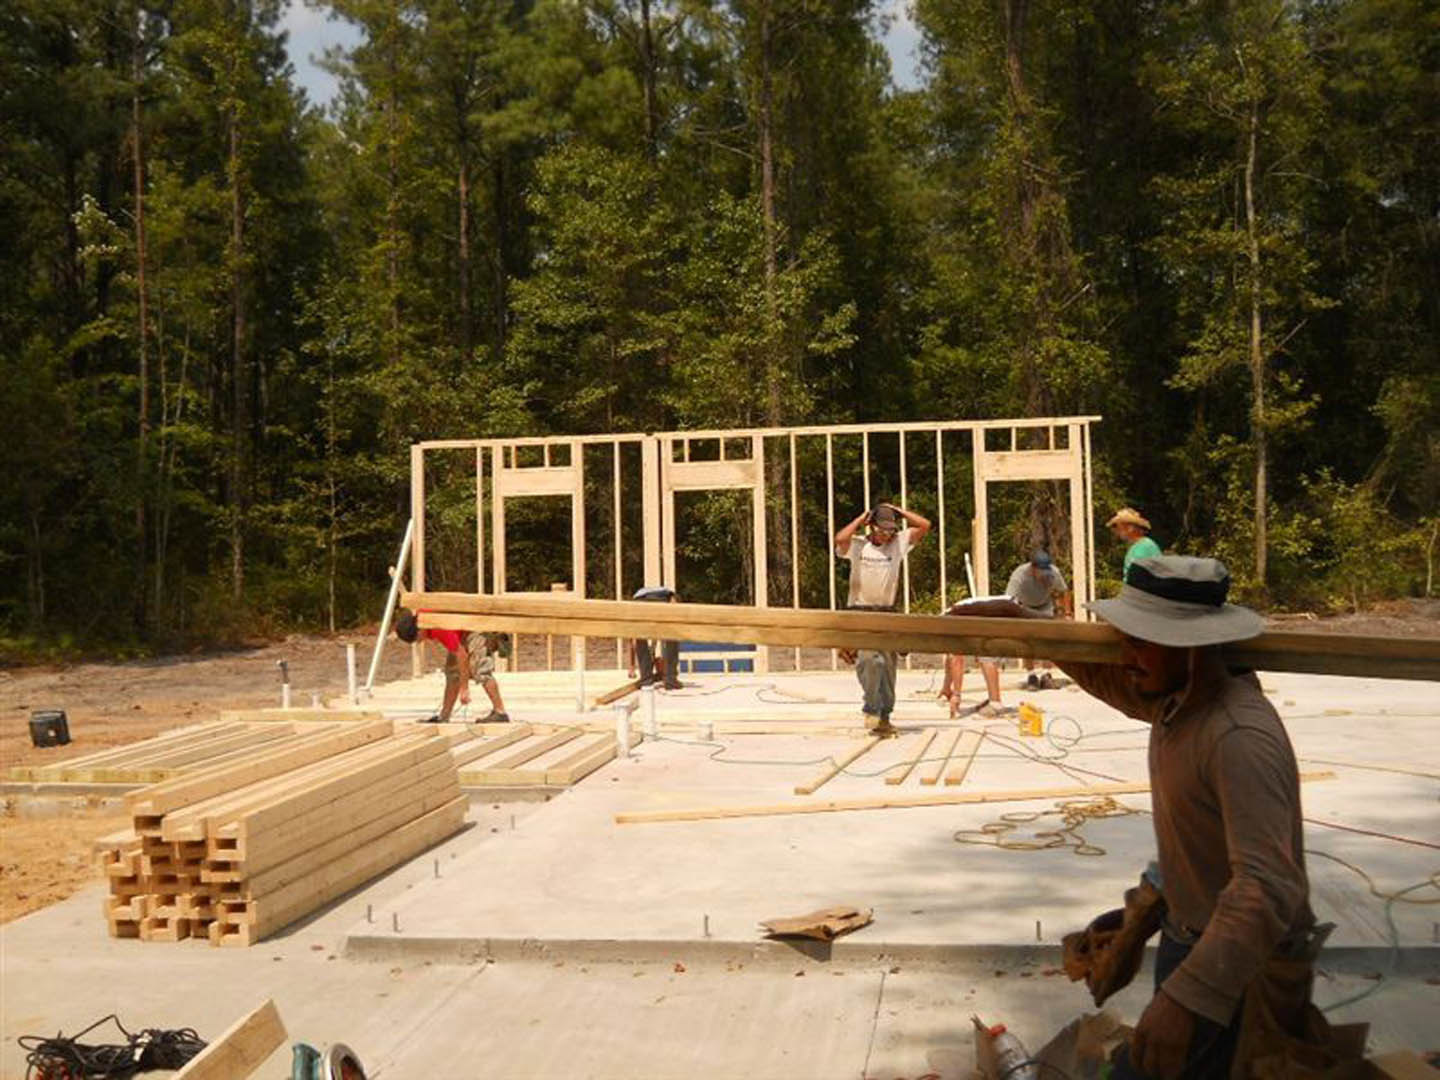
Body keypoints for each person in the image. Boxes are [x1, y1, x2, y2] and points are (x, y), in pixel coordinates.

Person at [965, 556, 1335, 1080]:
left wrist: (1186, 998)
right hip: (1194, 938)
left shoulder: (1237, 737)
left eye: (1141, 641)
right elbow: (1106, 678)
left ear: (1192, 647)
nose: (1126, 654)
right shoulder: (1176, 699)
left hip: (1241, 966)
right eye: (1126, 638)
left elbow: (1267, 887)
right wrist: (1027, 624)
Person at [834, 502, 930, 734]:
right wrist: (861, 518)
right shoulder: (858, 545)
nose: (886, 535)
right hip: (860, 611)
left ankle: (884, 715)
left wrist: (898, 510)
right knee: (869, 661)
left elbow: (925, 525)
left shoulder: (898, 544)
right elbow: (840, 539)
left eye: (890, 530)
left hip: (886, 612)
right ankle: (871, 708)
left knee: (887, 667)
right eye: (882, 530)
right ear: (872, 526)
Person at [394, 608, 510, 724]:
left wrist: (464, 688)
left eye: (417, 638)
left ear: (419, 630)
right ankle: (444, 716)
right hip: (463, 632)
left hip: (476, 628)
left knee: (481, 670)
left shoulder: (437, 627)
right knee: (452, 673)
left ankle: (500, 712)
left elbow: (462, 656)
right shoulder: (424, 618)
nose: (420, 641)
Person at [1005, 550, 1071, 689]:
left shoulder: (1054, 572)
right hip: (1025, 607)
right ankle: (1032, 675)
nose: (1044, 575)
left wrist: (1067, 613)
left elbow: (1064, 591)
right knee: (1027, 641)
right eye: (1041, 571)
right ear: (1033, 568)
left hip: (1045, 606)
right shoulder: (1019, 575)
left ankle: (1046, 675)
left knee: (1047, 640)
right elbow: (1009, 599)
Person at [627, 586, 681, 690]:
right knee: (672, 636)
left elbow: (632, 641)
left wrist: (632, 667)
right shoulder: (670, 594)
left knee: (639, 638)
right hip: (662, 600)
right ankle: (670, 680)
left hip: (640, 603)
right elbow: (674, 602)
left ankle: (646, 680)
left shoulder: (639, 595)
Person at [1108, 507, 1162, 582]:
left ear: (1130, 528)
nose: (1117, 531)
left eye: (1119, 527)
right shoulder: (1138, 546)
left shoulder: (1145, 547)